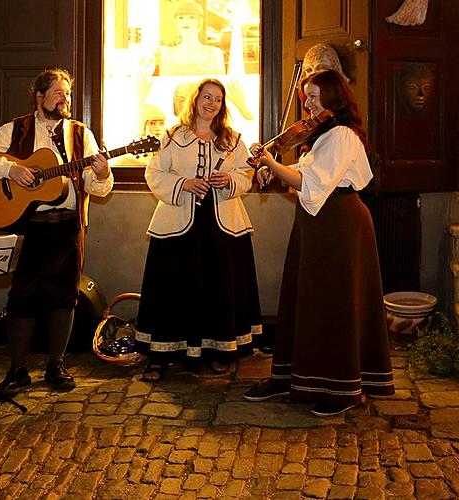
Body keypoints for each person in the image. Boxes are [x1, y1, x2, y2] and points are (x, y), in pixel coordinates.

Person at [243, 70, 395, 417]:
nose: (307, 104)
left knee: (333, 303)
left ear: (332, 97)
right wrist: (273, 168)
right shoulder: (322, 136)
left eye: (313, 96)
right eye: (306, 96)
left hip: (338, 223)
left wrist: (271, 162)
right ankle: (293, 377)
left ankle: (340, 389)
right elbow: (304, 171)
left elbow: (314, 184)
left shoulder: (341, 134)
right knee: (304, 299)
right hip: (318, 223)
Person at [0, 68, 113, 392]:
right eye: (58, 92)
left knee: (65, 296)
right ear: (40, 96)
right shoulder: (15, 129)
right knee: (23, 296)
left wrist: (101, 174)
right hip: (29, 226)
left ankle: (56, 365)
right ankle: (17, 368)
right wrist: (12, 169)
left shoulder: (80, 134)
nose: (65, 99)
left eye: (68, 93)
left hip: (68, 227)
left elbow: (96, 187)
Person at [135, 78, 262, 381]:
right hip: (179, 225)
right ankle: (162, 354)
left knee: (219, 286)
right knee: (172, 287)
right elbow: (153, 172)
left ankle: (220, 352)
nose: (212, 103)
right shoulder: (172, 136)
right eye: (207, 97)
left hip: (222, 225)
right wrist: (184, 184)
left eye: (218, 99)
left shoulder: (232, 138)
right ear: (196, 99)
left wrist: (229, 180)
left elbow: (247, 172)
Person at [158, 1, 226, 76]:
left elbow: (221, 85)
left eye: (192, 17)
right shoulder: (166, 54)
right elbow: (163, 84)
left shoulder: (214, 54)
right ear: (176, 22)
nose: (185, 21)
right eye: (181, 18)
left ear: (200, 21)